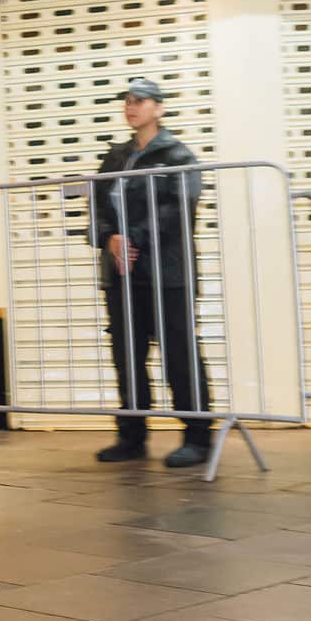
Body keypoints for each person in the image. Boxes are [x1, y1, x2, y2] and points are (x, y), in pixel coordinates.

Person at [90, 77, 212, 468]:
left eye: (140, 100)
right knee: (127, 355)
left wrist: (134, 238)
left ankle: (197, 437)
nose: (131, 106)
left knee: (179, 354)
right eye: (127, 101)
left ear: (159, 108)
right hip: (122, 274)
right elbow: (95, 206)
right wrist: (109, 236)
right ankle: (132, 437)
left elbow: (179, 208)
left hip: (167, 274)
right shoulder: (114, 156)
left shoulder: (177, 155)